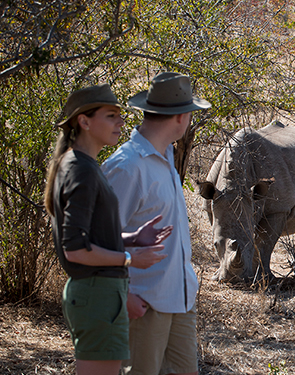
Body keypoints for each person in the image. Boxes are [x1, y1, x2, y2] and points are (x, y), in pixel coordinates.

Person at [45, 84, 170, 375]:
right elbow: (75, 249)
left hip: (98, 294)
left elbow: (88, 238)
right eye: (111, 115)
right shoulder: (82, 170)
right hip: (97, 295)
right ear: (84, 122)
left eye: (120, 115)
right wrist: (129, 259)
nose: (121, 122)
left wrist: (129, 239)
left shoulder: (79, 165)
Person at [101, 72, 210, 375]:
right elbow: (99, 238)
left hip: (179, 297)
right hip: (143, 303)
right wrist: (123, 296)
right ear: (181, 117)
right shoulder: (128, 166)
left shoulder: (164, 154)